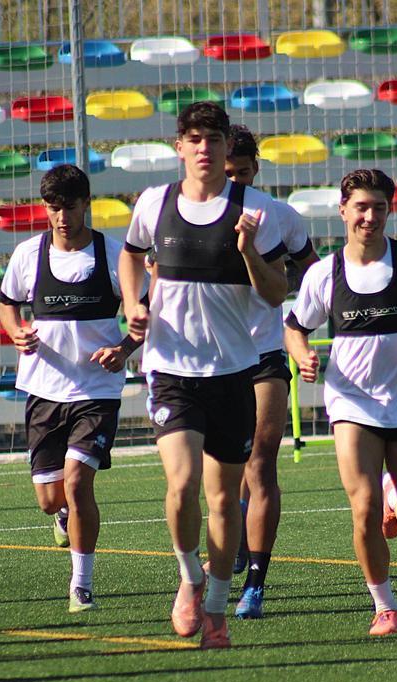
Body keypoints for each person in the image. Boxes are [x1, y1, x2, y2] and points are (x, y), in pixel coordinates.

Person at [119, 102, 288, 648]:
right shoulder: (154, 203)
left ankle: (216, 607)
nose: (203, 148)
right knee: (182, 483)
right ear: (179, 145)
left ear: (224, 145)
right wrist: (131, 302)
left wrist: (246, 251)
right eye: (193, 138)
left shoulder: (257, 209)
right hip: (170, 368)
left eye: (212, 139)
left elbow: (276, 293)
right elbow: (130, 255)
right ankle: (189, 577)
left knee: (222, 499)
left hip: (234, 371)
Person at [285, 169, 397, 636]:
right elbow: (295, 326)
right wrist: (303, 355)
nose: (369, 217)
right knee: (361, 507)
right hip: (352, 406)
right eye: (361, 207)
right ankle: (384, 605)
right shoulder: (324, 273)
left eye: (379, 207)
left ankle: (396, 494)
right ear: (343, 210)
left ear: (390, 210)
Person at [0, 165, 140, 612]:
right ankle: (61, 516)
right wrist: (15, 330)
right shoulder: (28, 254)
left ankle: (81, 584)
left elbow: (145, 314)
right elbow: (7, 304)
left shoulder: (113, 255)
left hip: (96, 390)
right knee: (49, 499)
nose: (61, 216)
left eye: (70, 207)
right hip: (43, 389)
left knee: (79, 483)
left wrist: (123, 349)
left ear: (87, 205)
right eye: (53, 208)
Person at [224, 124, 318, 619]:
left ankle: (255, 586)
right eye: (227, 172)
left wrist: (305, 337)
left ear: (256, 168)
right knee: (222, 471)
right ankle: (234, 533)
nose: (235, 181)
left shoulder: (280, 216)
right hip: (210, 361)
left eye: (242, 172)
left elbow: (315, 273)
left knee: (261, 464)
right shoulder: (190, 212)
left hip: (263, 352)